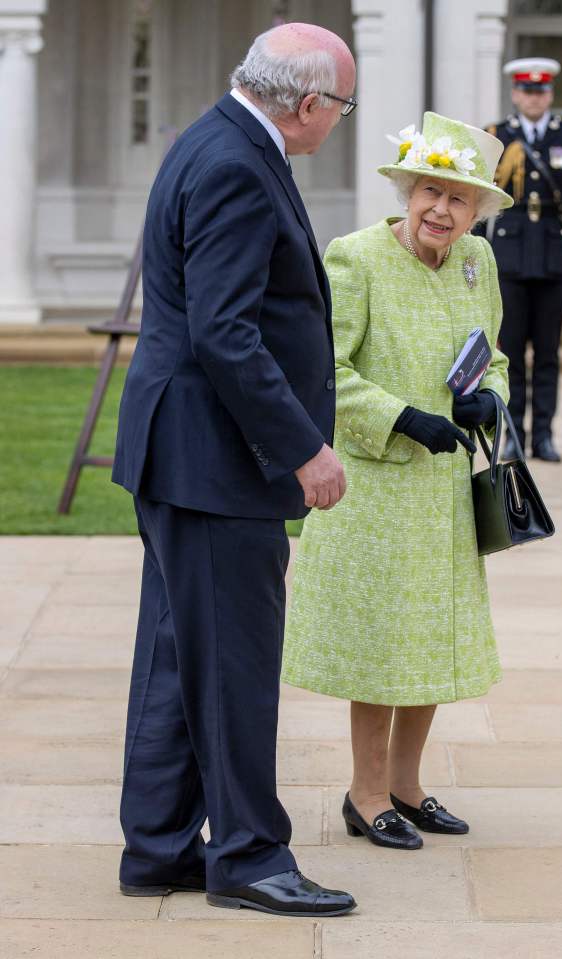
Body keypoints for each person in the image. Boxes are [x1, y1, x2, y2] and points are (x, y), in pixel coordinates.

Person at [111, 23, 357, 917]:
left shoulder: (213, 137)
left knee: (180, 661)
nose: (337, 119)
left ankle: (158, 847)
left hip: (185, 454)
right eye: (339, 104)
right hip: (212, 460)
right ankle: (250, 856)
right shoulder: (233, 163)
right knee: (235, 667)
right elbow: (225, 331)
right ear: (305, 103)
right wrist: (303, 447)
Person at [281, 112, 512, 849]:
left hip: (445, 494)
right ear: (407, 190)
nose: (441, 212)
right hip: (376, 488)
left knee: (431, 643)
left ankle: (408, 788)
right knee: (381, 647)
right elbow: (325, 371)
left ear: (476, 211)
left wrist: (491, 397)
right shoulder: (354, 258)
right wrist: (401, 416)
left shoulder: (478, 260)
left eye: (458, 200)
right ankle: (365, 791)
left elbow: (494, 355)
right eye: (429, 193)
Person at [474, 57, 562, 462]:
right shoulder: (497, 136)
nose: (533, 97)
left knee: (547, 353)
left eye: (540, 91)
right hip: (508, 256)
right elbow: (481, 199)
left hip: (555, 257)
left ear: (550, 94)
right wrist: (472, 255)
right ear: (515, 94)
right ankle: (513, 433)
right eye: (526, 90)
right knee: (508, 354)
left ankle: (544, 434)